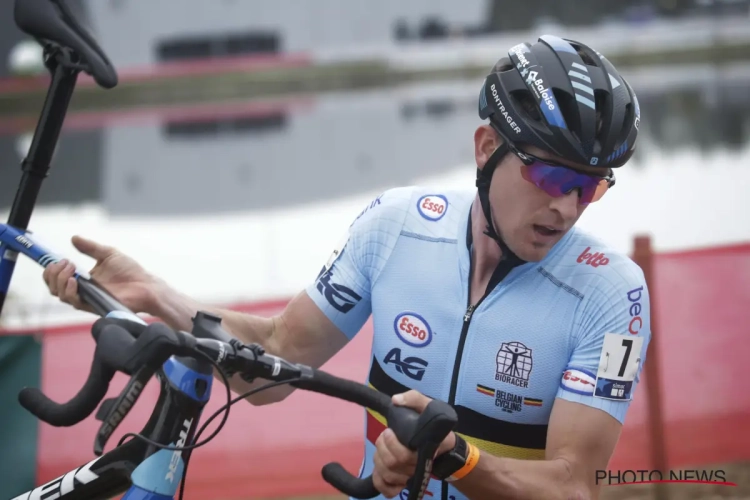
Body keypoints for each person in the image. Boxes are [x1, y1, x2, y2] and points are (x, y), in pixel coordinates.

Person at [43, 34, 650, 500]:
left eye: (591, 187)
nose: (566, 205)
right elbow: (277, 359)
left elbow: (574, 485)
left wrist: (458, 460)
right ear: (487, 149)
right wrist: (154, 293)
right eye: (552, 175)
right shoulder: (397, 225)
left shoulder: (610, 294)